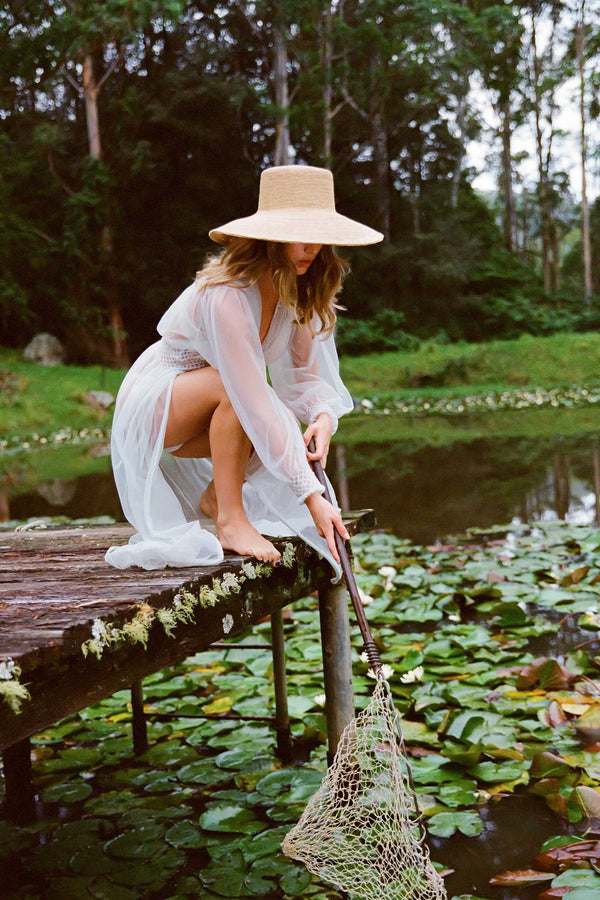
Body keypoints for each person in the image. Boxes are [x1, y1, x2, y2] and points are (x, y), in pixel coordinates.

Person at [105, 165, 383, 575]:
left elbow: (303, 379)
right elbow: (250, 394)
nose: (310, 248)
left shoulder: (299, 293)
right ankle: (230, 521)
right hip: (155, 404)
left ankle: (219, 497)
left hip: (212, 408)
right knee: (244, 397)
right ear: (269, 237)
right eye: (298, 235)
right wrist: (311, 495)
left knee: (283, 418)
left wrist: (323, 418)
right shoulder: (228, 295)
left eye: (319, 236)